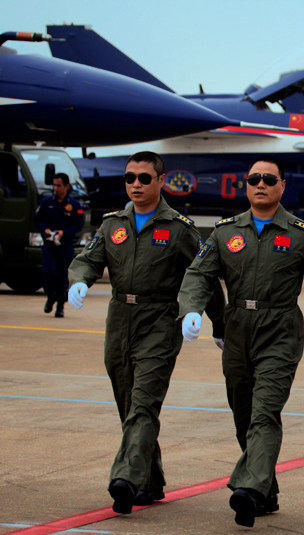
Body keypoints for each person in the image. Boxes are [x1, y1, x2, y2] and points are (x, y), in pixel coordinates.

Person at [178, 157, 304, 527]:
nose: (261, 184)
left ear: (282, 186)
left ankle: (249, 489)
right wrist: (191, 309)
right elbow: (199, 275)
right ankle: (266, 488)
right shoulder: (225, 232)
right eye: (254, 178)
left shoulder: (300, 233)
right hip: (238, 328)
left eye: (269, 179)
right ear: (246, 184)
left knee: (265, 411)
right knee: (243, 415)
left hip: (280, 329)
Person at [68, 151, 225, 513]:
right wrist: (79, 280)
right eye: (130, 178)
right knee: (129, 404)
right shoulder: (113, 224)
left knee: (143, 402)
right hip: (119, 319)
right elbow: (88, 260)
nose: (136, 185)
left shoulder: (179, 228)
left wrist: (216, 320)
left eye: (144, 178)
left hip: (160, 320)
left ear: (161, 181)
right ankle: (150, 481)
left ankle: (126, 478)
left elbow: (203, 275)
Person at [35, 173, 84, 317]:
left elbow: (78, 224)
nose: (55, 188)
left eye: (59, 185)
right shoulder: (47, 202)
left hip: (65, 246)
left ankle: (60, 306)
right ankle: (50, 297)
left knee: (63, 276)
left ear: (66, 186)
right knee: (47, 274)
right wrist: (45, 230)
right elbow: (38, 219)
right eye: (54, 185)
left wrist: (64, 232)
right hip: (49, 246)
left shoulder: (74, 205)